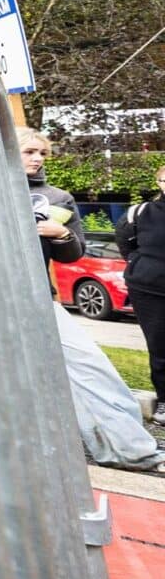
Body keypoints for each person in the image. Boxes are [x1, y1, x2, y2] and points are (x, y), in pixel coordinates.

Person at [19, 128, 162, 471]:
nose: (38, 159)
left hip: (36, 299)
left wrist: (62, 234)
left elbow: (73, 253)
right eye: (29, 152)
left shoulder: (57, 198)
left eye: (42, 153)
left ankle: (130, 451)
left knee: (92, 368)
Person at [113, 163, 165, 424]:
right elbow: (124, 242)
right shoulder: (141, 212)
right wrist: (138, 263)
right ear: (159, 183)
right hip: (149, 290)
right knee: (160, 347)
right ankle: (164, 400)